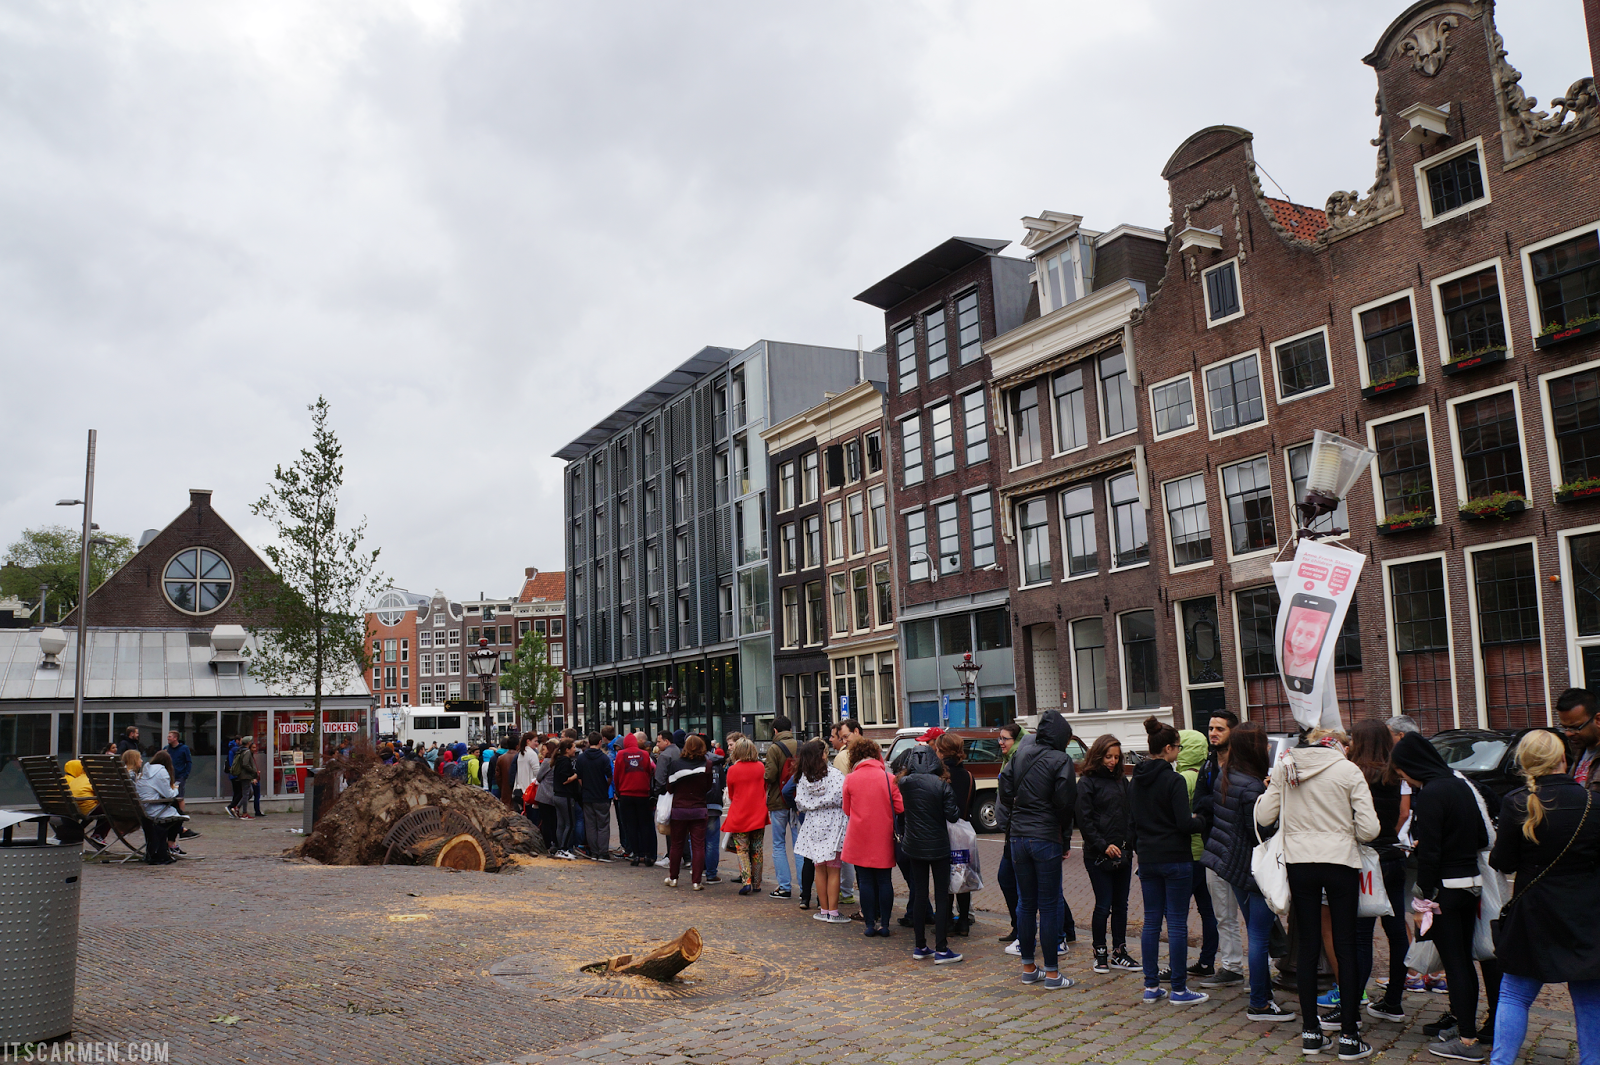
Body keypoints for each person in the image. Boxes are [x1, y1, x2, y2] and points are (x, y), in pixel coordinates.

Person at [1258, 729, 1378, 1059]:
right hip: (1340, 862)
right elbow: (1370, 829)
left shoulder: (1286, 767)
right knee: (1346, 943)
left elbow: (1264, 816)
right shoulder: (1348, 770)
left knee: (1309, 945)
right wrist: (1342, 830)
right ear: (1337, 743)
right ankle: (1351, 1036)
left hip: (1301, 863)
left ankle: (1311, 1032)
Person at [1488, 729, 1600, 1065]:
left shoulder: (1516, 802)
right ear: (1563, 758)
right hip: (1585, 911)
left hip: (1534, 910)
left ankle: (1501, 1061)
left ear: (1524, 762)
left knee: (1514, 994)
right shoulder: (1593, 802)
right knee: (1590, 997)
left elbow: (1503, 862)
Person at [1391, 732, 1502, 1062]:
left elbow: (1431, 854)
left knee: (1455, 964)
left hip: (1445, 892)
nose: (1404, 780)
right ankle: (1466, 1029)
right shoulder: (1460, 785)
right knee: (1463, 962)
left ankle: (1467, 1039)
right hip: (1471, 886)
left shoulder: (1431, 794)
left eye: (1402, 773)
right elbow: (1483, 835)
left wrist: (1423, 898)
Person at [1201, 721, 1292, 1022]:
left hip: (1232, 866)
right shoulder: (1253, 786)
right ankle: (1260, 1003)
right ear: (1254, 748)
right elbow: (1261, 831)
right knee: (1259, 937)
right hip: (1255, 871)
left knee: (1256, 932)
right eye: (1264, 743)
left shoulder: (1226, 776)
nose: (1268, 748)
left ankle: (1264, 997)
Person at [1131, 716, 1209, 1006]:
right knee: (1176, 923)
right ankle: (1178, 989)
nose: (1179, 751)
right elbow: (1183, 823)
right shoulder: (1173, 780)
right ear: (1167, 749)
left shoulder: (1135, 780)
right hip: (1176, 857)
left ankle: (1151, 986)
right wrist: (1200, 820)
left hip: (1148, 858)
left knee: (1151, 921)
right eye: (1177, 747)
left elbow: (1133, 822)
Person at [998, 709, 1078, 989]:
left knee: (1026, 904)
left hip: (1018, 837)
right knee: (1048, 904)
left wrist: (1020, 805)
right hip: (1045, 837)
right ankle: (1053, 973)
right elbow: (1066, 803)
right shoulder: (1061, 760)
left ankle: (1029, 968)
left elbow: (1004, 788)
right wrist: (1063, 836)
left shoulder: (1019, 755)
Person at [1346, 720, 1411, 1027]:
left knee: (1361, 937)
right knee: (1397, 932)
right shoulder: (1397, 773)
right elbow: (1403, 814)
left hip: (1365, 859)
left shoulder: (1351, 773)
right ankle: (1393, 1001)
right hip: (1393, 856)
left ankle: (1352, 1007)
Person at [1076, 734, 1137, 975]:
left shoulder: (1123, 781)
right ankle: (1099, 951)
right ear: (1098, 755)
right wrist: (1102, 845)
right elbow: (1085, 819)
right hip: (1098, 855)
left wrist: (1128, 844)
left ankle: (1119, 951)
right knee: (1104, 904)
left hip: (1122, 852)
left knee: (1121, 905)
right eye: (1108, 756)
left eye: (1116, 757)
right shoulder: (1087, 783)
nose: (1112, 761)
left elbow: (1130, 814)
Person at [896, 745, 963, 964]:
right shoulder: (941, 785)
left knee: (920, 894)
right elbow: (953, 816)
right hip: (938, 846)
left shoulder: (905, 784)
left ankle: (920, 945)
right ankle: (942, 948)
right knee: (942, 896)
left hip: (914, 845)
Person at [1196, 710, 1245, 988]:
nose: (1213, 733)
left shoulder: (1243, 766)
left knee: (1255, 913)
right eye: (1211, 728)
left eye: (1220, 729)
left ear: (1232, 733)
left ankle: (1267, 965)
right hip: (1214, 847)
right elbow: (1199, 802)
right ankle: (1232, 966)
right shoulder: (1207, 766)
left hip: (1241, 849)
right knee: (1222, 913)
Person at [842, 737, 901, 937]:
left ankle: (869, 924)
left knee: (865, 881)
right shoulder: (889, 778)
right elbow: (900, 807)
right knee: (885, 881)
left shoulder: (850, 779)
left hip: (859, 836)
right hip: (883, 835)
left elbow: (846, 810)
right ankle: (884, 924)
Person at [1176, 728, 1220, 981]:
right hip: (1205, 852)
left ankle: (1178, 964)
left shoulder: (1182, 779)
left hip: (1187, 854)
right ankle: (1207, 960)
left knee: (1178, 912)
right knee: (1208, 911)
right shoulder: (1205, 775)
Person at [794, 738, 850, 924]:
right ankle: (833, 911)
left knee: (819, 867)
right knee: (833, 869)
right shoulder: (834, 775)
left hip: (812, 822)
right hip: (833, 821)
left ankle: (823, 908)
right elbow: (843, 796)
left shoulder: (804, 778)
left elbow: (800, 802)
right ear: (823, 755)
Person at [934, 732, 975, 936]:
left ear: (941, 751)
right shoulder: (967, 775)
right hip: (963, 832)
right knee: (963, 875)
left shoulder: (940, 775)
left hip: (943, 831)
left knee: (944, 877)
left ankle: (947, 921)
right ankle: (964, 921)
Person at [722, 738, 769, 895]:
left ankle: (746, 881)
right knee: (757, 849)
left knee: (742, 850)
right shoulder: (760, 767)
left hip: (740, 813)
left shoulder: (733, 770)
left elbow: (732, 793)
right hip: (758, 812)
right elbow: (764, 787)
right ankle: (757, 883)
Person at [664, 734, 710, 889]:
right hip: (699, 808)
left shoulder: (676, 764)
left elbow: (669, 787)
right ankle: (696, 881)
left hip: (680, 809)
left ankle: (673, 877)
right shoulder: (707, 764)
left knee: (676, 845)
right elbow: (708, 787)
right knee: (698, 845)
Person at [763, 715, 800, 900]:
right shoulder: (801, 746)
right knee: (799, 845)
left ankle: (784, 887)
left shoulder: (774, 748)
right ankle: (804, 888)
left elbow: (770, 776)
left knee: (778, 844)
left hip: (778, 802)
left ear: (775, 731)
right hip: (798, 802)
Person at [995, 721, 1025, 945]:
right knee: (1007, 878)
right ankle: (1018, 926)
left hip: (1018, 828)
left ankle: (1066, 928)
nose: (1001, 742)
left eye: (1005, 739)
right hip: (1009, 829)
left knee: (1031, 882)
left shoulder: (1018, 760)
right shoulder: (1007, 760)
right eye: (1000, 738)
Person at [127, 749, 180, 865]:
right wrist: (176, 789)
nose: (141, 760)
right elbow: (169, 795)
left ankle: (170, 843)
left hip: (142, 809)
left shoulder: (144, 772)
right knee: (177, 811)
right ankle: (171, 843)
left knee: (175, 808)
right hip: (152, 810)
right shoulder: (161, 772)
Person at [614, 733, 657, 866]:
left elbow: (616, 774)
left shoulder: (620, 754)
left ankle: (636, 855)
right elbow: (653, 768)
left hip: (626, 794)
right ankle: (647, 854)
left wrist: (618, 790)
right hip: (642, 794)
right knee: (644, 825)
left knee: (631, 825)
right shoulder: (644, 754)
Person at [576, 732, 613, 862]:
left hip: (587, 795)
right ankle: (603, 852)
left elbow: (579, 776)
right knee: (603, 824)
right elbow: (609, 776)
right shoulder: (604, 758)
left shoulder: (581, 758)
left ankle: (594, 852)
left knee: (590, 824)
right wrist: (605, 786)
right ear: (599, 742)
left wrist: (584, 786)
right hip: (601, 795)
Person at [1557, 687, 1600, 788]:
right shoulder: (1576, 750)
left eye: (1575, 728)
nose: (1568, 734)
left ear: (1598, 720)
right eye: (1565, 728)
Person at [551, 738, 581, 860]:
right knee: (570, 823)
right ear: (567, 750)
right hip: (565, 796)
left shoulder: (558, 761)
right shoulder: (565, 762)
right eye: (573, 747)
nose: (575, 750)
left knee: (561, 824)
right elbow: (565, 780)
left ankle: (559, 848)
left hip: (557, 795)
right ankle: (564, 848)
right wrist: (576, 775)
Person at [703, 737, 726, 884]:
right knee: (712, 840)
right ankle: (711, 873)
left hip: (699, 804)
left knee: (697, 840)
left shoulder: (696, 761)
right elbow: (723, 782)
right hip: (715, 804)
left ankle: (698, 870)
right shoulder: (717, 761)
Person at [228, 740, 259, 820]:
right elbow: (245, 764)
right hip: (246, 776)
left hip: (243, 775)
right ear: (248, 743)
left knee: (250, 792)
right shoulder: (246, 752)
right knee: (246, 793)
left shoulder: (240, 750)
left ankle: (237, 808)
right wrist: (253, 771)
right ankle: (244, 813)